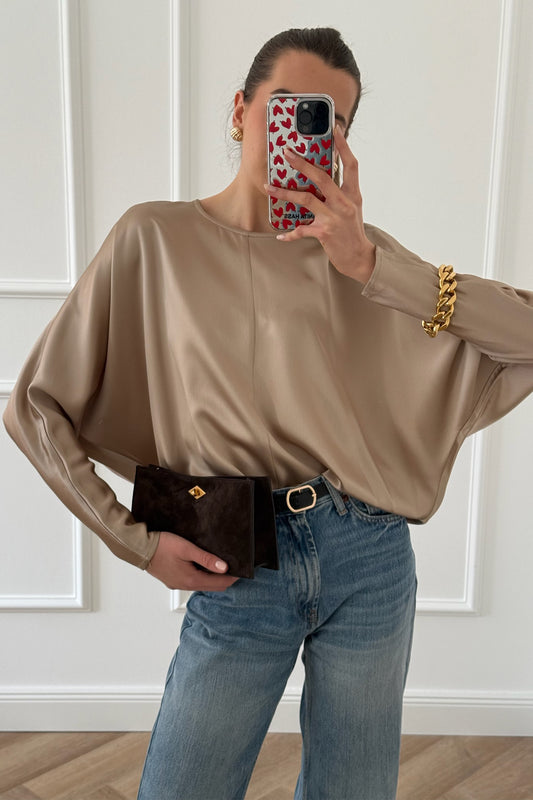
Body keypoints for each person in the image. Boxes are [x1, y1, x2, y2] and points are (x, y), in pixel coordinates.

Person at [3, 25, 533, 800]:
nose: (305, 129)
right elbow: (34, 406)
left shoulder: (359, 256)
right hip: (234, 558)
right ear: (239, 111)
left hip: (368, 553)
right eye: (287, 104)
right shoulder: (154, 236)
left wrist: (372, 264)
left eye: (332, 120)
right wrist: (135, 543)